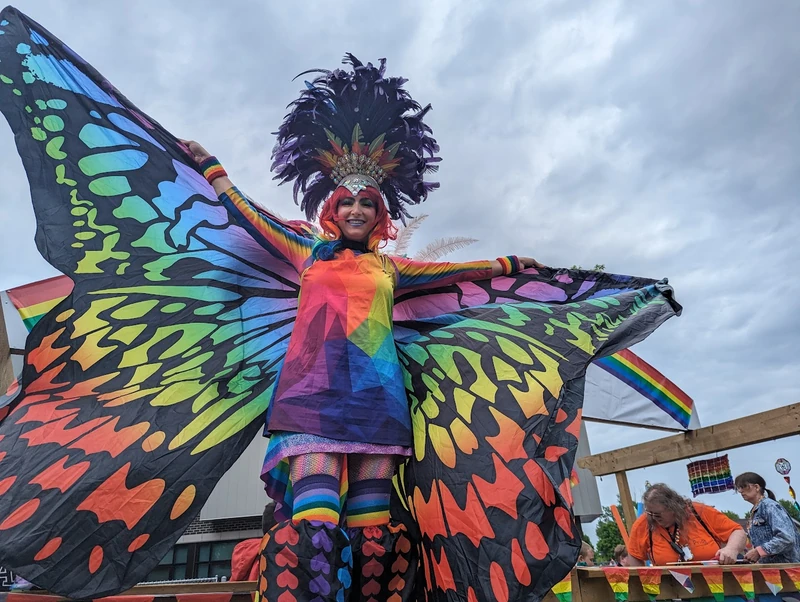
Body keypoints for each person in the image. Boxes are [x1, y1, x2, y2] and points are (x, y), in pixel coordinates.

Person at [182, 57, 541, 598]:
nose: (355, 209)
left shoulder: (390, 268)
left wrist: (508, 267)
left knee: (374, 537)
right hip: (311, 402)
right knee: (315, 529)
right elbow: (247, 216)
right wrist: (214, 169)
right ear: (333, 208)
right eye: (346, 201)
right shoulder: (308, 251)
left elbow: (459, 271)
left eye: (365, 203)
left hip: (378, 406)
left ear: (379, 215)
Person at [627, 483, 746, 565]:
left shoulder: (700, 512)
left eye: (658, 514)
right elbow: (634, 555)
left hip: (714, 587)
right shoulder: (644, 523)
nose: (653, 517)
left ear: (673, 508)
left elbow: (737, 531)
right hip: (669, 591)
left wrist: (731, 549)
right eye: (649, 512)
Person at [735, 472, 800, 564]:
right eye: (739, 488)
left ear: (757, 487)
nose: (741, 491)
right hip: (771, 569)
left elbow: (786, 538)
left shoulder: (770, 506)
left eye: (744, 486)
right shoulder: (756, 510)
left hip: (786, 569)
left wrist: (759, 551)